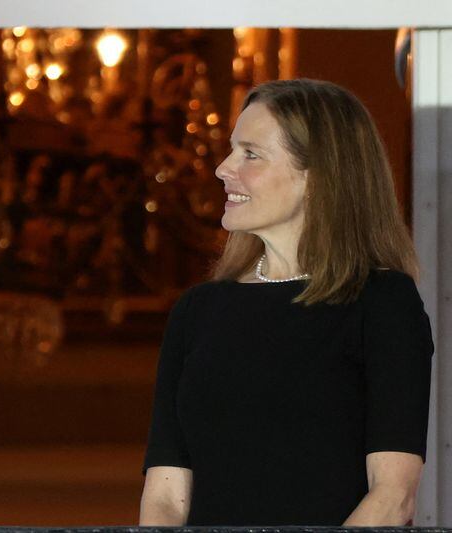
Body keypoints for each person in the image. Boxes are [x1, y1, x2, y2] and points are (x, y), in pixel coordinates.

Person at [140, 79, 433, 526]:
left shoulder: (382, 304)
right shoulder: (198, 311)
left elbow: (393, 497)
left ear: (319, 175)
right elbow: (165, 498)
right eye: (232, 150)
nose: (223, 168)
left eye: (250, 154)